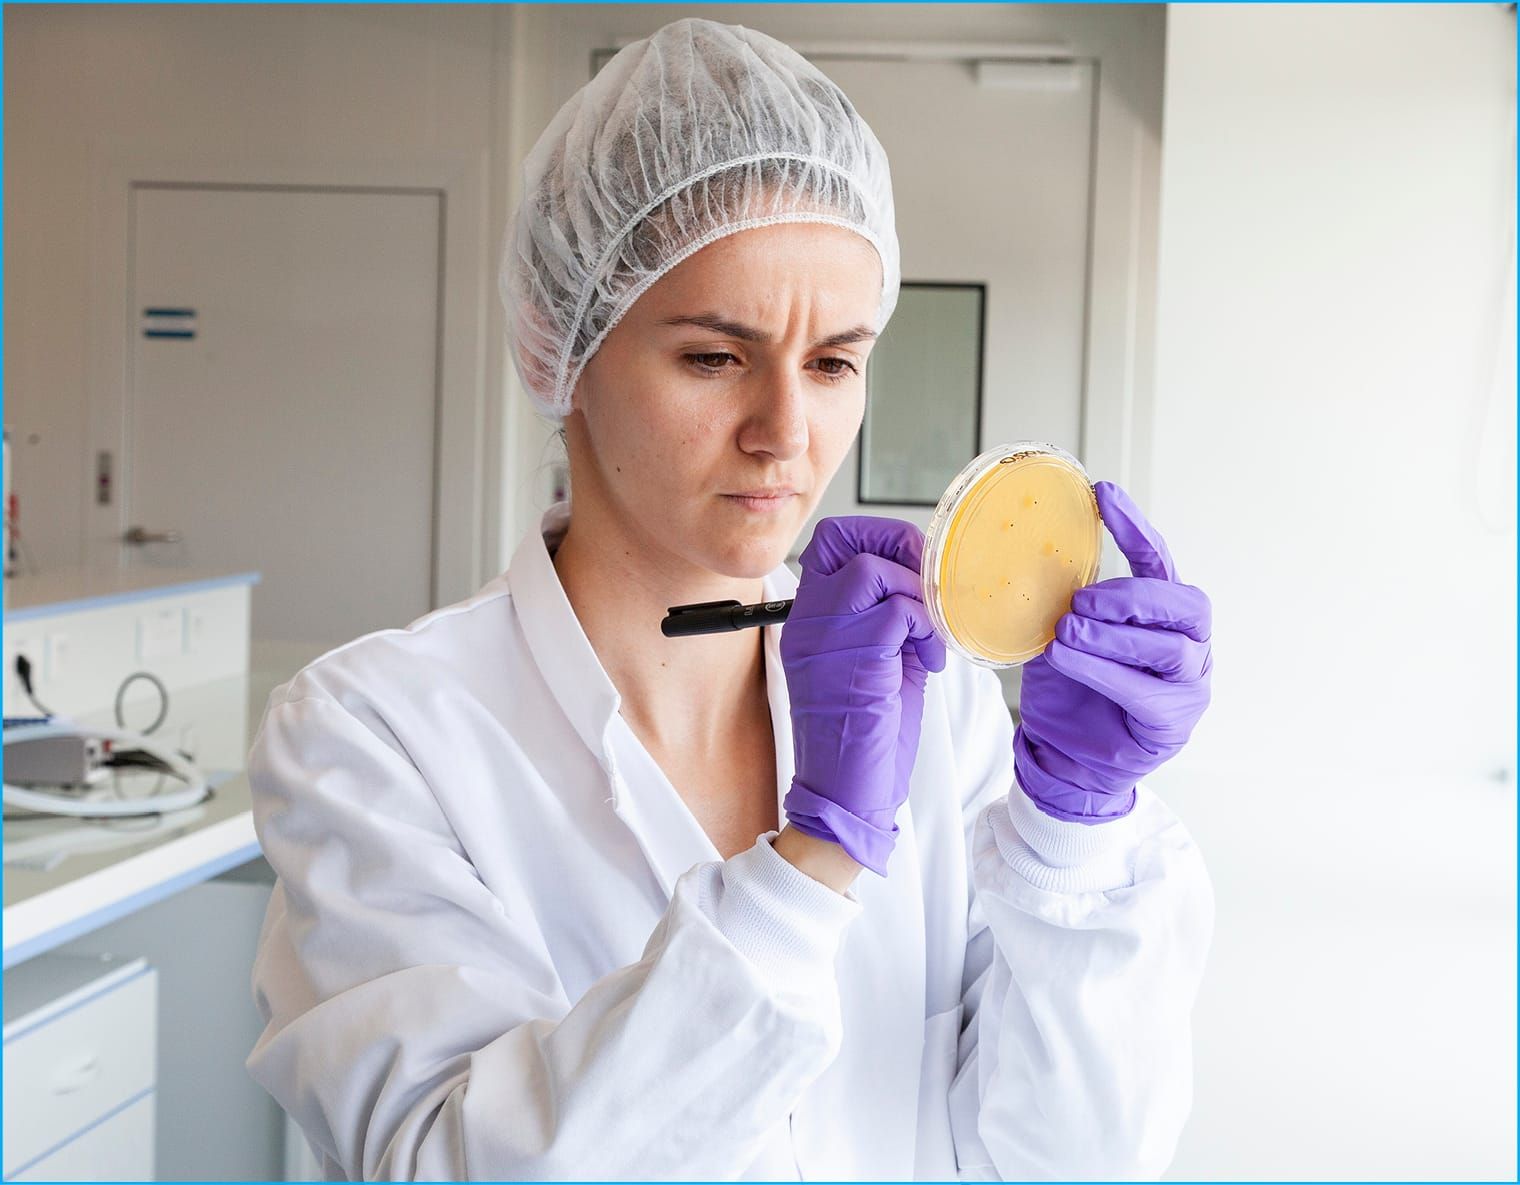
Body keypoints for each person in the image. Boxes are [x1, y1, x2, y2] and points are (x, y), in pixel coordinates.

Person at [245, 17, 1215, 1181]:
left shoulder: (936, 705)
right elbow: (444, 1164)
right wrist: (808, 868)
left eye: (832, 363)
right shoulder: (376, 734)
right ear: (564, 349)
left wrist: (1073, 838)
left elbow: (1073, 1163)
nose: (784, 436)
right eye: (713, 357)